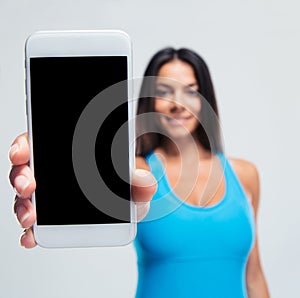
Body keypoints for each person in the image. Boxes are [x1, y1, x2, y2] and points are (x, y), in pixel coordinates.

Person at [9, 48, 270, 297]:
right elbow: (84, 180)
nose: (178, 104)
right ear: (150, 101)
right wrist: (51, 154)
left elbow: (254, 274)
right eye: (165, 92)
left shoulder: (244, 175)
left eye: (190, 91)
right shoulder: (136, 173)